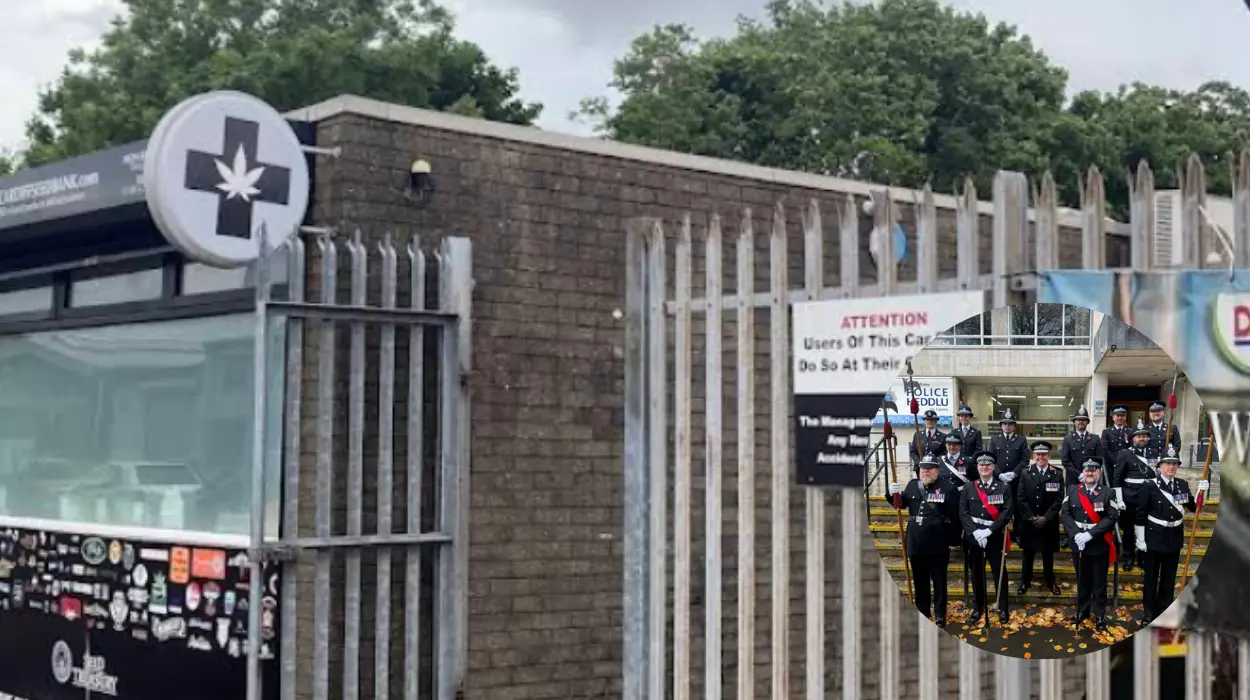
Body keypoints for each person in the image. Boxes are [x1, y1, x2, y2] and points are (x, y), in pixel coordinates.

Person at [1135, 446, 1209, 625]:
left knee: (1168, 579)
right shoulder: (1150, 486)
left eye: (1175, 464)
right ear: (1160, 466)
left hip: (1173, 537)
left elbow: (1194, 507)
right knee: (1151, 579)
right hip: (1153, 538)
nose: (1171, 467)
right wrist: (1140, 539)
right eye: (1168, 463)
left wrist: (1202, 491)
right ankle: (1148, 614)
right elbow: (1140, 513)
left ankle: (1164, 611)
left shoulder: (1182, 485)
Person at [887, 452, 961, 627]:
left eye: (929, 469)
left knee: (939, 580)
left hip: (938, 541)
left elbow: (956, 517)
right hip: (916, 540)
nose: (925, 472)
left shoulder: (948, 488)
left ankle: (940, 612)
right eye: (923, 469)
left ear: (937, 470)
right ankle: (923, 609)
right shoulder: (913, 486)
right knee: (919, 579)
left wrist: (954, 540)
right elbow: (901, 504)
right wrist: (892, 494)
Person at [1061, 456, 1119, 631]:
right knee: (1082, 580)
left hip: (1098, 543)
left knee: (1099, 582)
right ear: (1082, 473)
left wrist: (1090, 535)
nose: (1090, 473)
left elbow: (1112, 516)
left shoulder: (1108, 492)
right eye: (1087, 470)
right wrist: (1077, 535)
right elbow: (1065, 514)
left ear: (1099, 472)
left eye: (1093, 470)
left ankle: (1100, 614)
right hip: (1079, 543)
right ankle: (1083, 611)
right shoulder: (1072, 490)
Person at [959, 450, 1014, 626]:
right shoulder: (969, 487)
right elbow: (963, 512)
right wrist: (975, 532)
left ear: (993, 467)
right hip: (974, 536)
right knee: (976, 573)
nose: (984, 467)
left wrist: (989, 531)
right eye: (981, 465)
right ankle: (978, 606)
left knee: (999, 573)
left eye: (988, 465)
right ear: (977, 467)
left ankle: (1003, 607)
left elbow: (1006, 512)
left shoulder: (1003, 488)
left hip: (994, 535)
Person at [1015, 441, 1064, 595]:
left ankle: (1050, 582)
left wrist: (1046, 518)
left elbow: (1059, 498)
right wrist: (1031, 517)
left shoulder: (1057, 473)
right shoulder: (1025, 472)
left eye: (1044, 454)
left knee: (1048, 554)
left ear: (1049, 456)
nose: (1041, 457)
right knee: (1027, 554)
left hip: (1048, 523)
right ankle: (1025, 581)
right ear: (1033, 456)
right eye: (1038, 454)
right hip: (1029, 522)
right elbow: (1021, 498)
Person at [1113, 419, 1156, 570]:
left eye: (1144, 435)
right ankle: (1129, 557)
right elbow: (1117, 478)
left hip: (1149, 497)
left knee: (1148, 527)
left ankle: (1142, 557)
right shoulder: (1124, 454)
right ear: (1133, 439)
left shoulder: (1154, 453)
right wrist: (1119, 500)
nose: (1142, 438)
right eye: (1139, 436)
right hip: (1129, 497)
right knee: (1129, 529)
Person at [1060, 405, 1103, 487]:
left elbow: (1099, 459)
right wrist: (1079, 475)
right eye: (1078, 420)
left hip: (1091, 480)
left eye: (1084, 420)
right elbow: (1065, 460)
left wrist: (1089, 473)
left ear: (1087, 422)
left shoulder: (1095, 438)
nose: (1081, 422)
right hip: (1073, 480)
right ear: (1074, 422)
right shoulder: (1068, 439)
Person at [910, 409, 946, 474]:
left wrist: (934, 461)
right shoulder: (917, 435)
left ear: (936, 421)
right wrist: (919, 462)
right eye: (927, 419)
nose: (929, 421)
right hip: (920, 468)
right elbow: (912, 451)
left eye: (932, 420)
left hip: (935, 468)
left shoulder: (942, 436)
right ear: (924, 421)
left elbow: (944, 453)